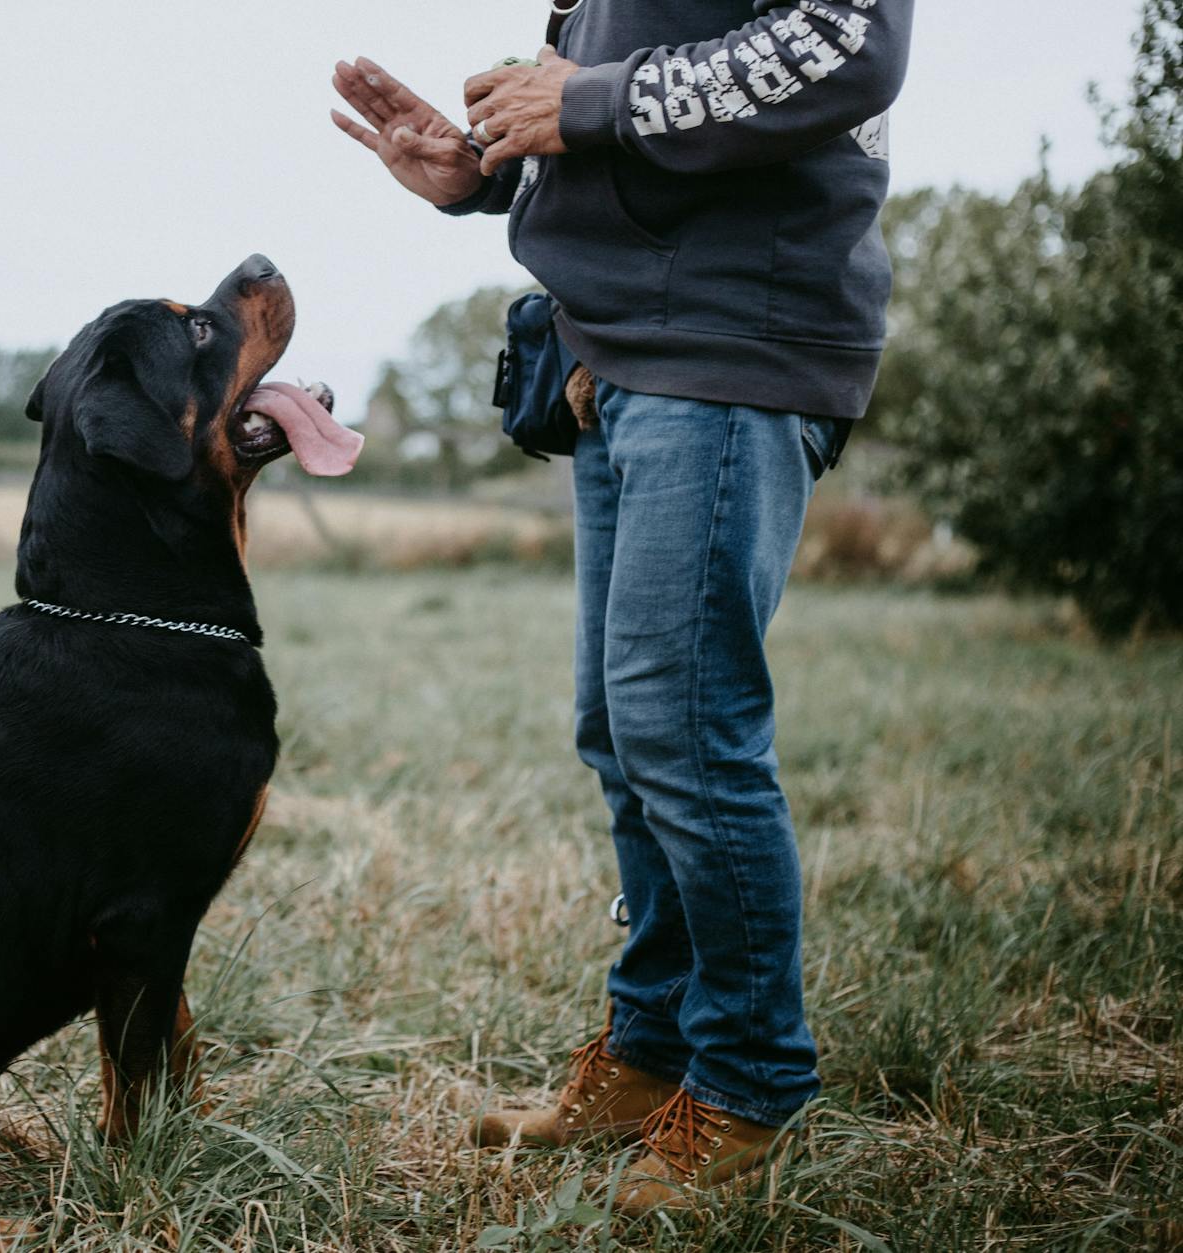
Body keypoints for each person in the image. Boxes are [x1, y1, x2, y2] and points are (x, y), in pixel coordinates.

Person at [331, 0, 913, 1216]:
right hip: (622, 348)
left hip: (728, 345)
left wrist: (583, 101)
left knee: (685, 732)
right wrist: (487, 172)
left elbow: (845, 44)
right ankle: (650, 1050)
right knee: (624, 730)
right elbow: (645, 113)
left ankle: (750, 1080)